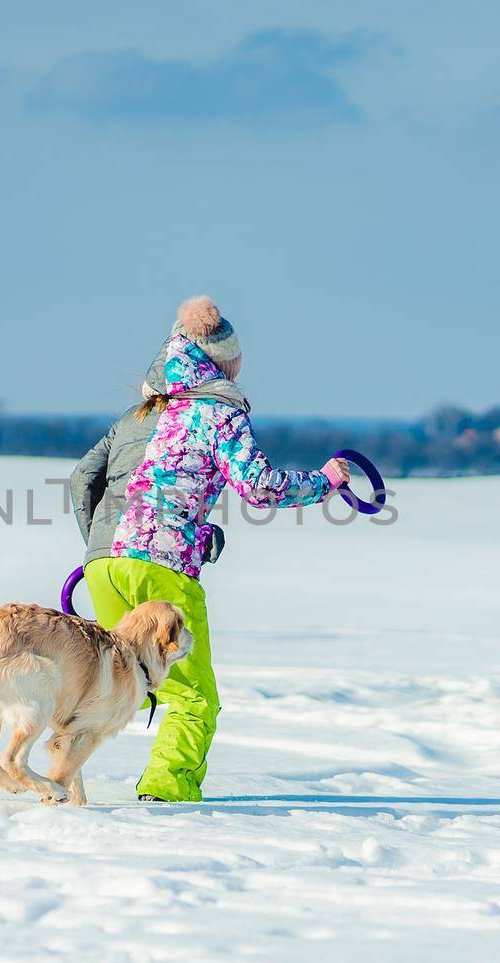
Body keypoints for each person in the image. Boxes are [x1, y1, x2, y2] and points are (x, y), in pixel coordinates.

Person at [70, 296, 351, 802]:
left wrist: (103, 547)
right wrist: (324, 482)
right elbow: (260, 486)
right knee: (192, 696)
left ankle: (62, 755)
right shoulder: (219, 412)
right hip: (165, 569)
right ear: (224, 362)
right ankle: (167, 792)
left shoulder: (139, 414)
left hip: (104, 565)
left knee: (116, 680)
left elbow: (81, 480)